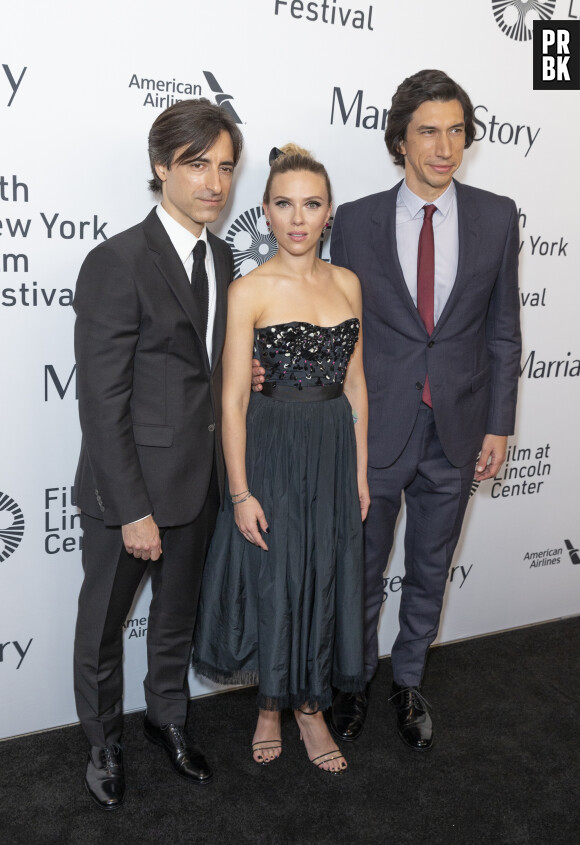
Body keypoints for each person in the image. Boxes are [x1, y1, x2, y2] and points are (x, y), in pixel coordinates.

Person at [255, 71, 521, 752]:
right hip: (373, 429)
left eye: (457, 130)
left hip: (458, 428)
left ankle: (407, 680)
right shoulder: (359, 221)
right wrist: (267, 367)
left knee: (432, 566)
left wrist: (500, 420)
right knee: (361, 568)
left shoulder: (496, 215)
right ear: (399, 138)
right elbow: (315, 306)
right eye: (429, 130)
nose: (445, 146)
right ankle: (353, 681)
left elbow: (502, 329)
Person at [72, 98, 243, 809]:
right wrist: (131, 508)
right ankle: (102, 740)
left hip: (197, 484)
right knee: (102, 629)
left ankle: (166, 720)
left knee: (175, 621)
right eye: (197, 163)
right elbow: (102, 402)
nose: (215, 182)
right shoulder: (117, 261)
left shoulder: (226, 256)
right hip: (130, 496)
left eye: (226, 166)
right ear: (161, 167)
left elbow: (203, 369)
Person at [193, 144, 369, 774]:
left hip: (331, 449)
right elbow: (234, 399)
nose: (299, 218)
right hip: (271, 446)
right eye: (285, 204)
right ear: (265, 211)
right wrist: (240, 493)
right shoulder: (250, 290)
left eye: (312, 204)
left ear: (329, 213)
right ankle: (270, 707)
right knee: (276, 578)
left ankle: (311, 710)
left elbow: (356, 385)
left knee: (322, 574)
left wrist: (359, 472)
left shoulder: (347, 282)